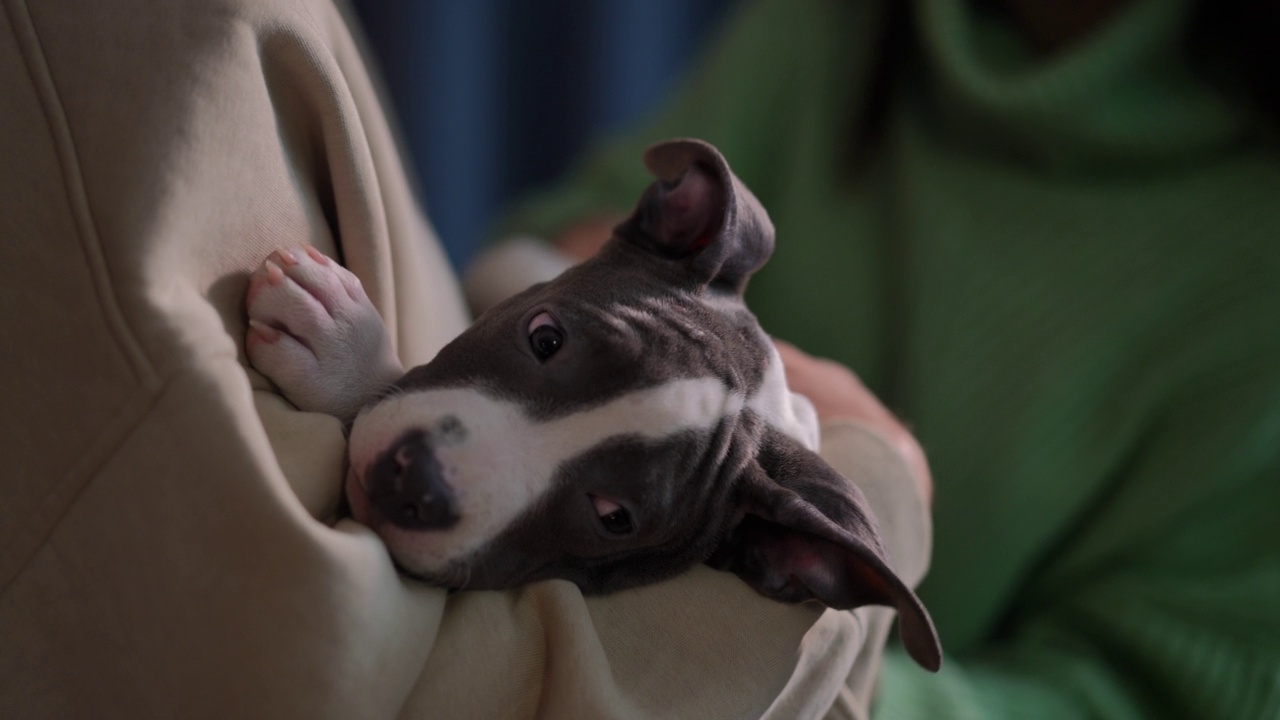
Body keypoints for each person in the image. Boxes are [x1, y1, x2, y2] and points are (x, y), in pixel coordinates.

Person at [0, 0, 932, 717]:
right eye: (547, 345)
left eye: (611, 514)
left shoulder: (743, 509)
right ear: (673, 217)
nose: (431, 477)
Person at [468, 0, 1280, 717]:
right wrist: (802, 408)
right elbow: (562, 237)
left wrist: (804, 670)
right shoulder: (836, 26)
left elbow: (1152, 693)